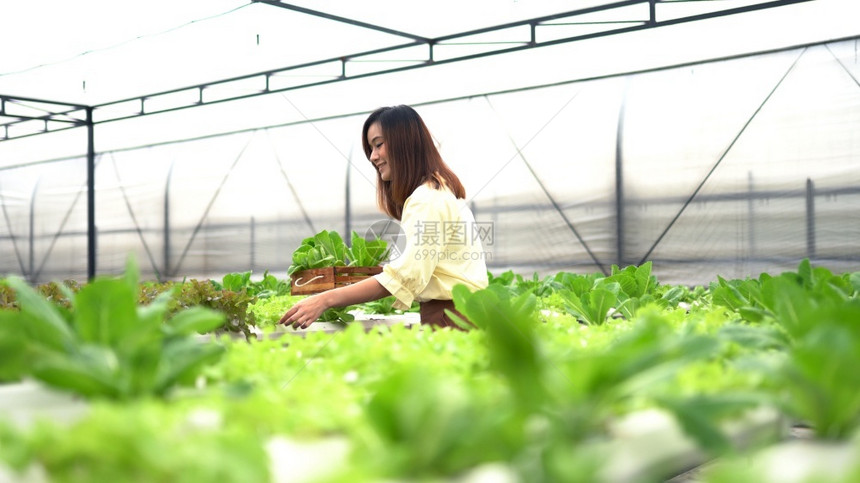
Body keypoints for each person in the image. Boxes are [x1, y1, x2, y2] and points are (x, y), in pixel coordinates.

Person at [279, 105, 488, 330]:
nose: (373, 156)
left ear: (404, 142)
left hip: (451, 316)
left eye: (378, 144)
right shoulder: (438, 190)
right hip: (461, 312)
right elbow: (416, 268)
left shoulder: (427, 198)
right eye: (371, 148)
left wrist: (325, 299)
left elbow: (403, 277)